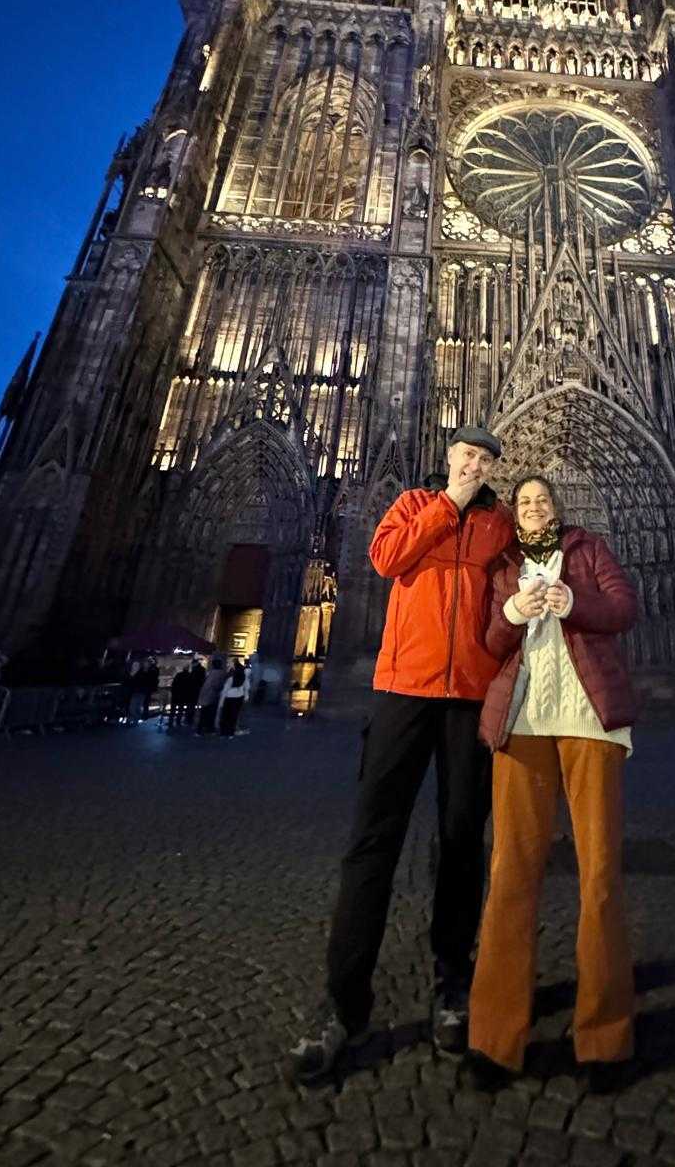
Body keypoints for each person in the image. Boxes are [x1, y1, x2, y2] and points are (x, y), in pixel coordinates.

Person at [287, 426, 514, 1085]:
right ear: (448, 461)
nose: (473, 465)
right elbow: (384, 560)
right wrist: (447, 504)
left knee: (463, 840)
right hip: (403, 691)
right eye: (464, 456)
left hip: (469, 699)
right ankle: (342, 1003)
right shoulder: (413, 505)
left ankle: (452, 988)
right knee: (372, 843)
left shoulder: (500, 527)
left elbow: (513, 605)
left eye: (483, 459)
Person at [465, 474, 639, 1095]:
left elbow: (623, 608)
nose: (534, 508)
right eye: (525, 502)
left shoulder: (589, 551)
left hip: (589, 722)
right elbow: (489, 640)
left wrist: (573, 602)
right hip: (525, 722)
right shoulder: (503, 566)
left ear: (557, 508)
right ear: (515, 513)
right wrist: (515, 609)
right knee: (510, 874)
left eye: (543, 500)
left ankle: (606, 1039)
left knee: (599, 877)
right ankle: (494, 1037)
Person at [196, 656, 225, 735]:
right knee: (209, 713)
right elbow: (217, 685)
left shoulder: (211, 673)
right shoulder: (219, 673)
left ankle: (201, 729)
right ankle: (206, 729)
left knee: (204, 713)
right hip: (212, 696)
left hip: (206, 695)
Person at [219, 658, 248, 737]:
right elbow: (246, 687)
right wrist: (246, 697)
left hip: (229, 698)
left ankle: (223, 732)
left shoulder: (231, 679)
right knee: (234, 716)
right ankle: (230, 733)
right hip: (239, 697)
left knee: (226, 716)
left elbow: (224, 691)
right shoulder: (243, 678)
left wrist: (221, 703)